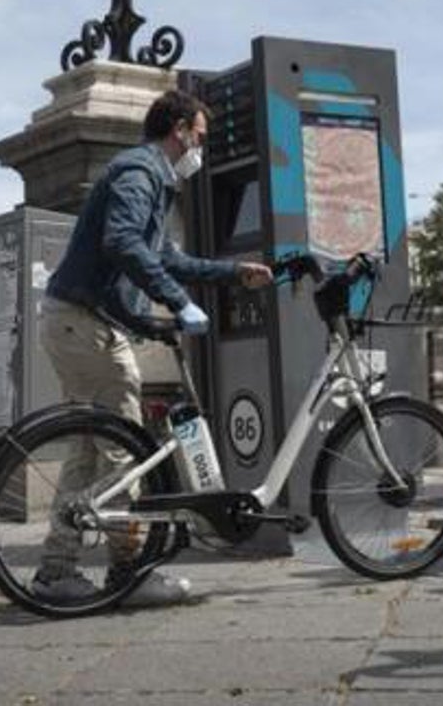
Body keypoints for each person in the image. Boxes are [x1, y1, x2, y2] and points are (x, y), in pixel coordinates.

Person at [35, 88, 274, 606]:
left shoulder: (152, 182)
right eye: (201, 138)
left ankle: (56, 570)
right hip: (83, 324)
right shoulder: (140, 173)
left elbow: (167, 258)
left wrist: (234, 274)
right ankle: (129, 574)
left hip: (76, 321)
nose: (200, 150)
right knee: (124, 453)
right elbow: (123, 243)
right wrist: (177, 303)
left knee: (87, 450)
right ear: (180, 129)